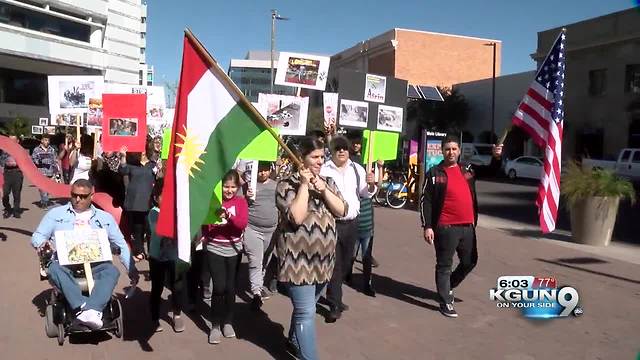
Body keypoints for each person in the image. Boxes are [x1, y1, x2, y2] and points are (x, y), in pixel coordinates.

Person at [31, 179, 139, 329]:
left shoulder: (104, 218)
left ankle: (91, 310)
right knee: (54, 269)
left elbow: (121, 243)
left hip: (96, 263)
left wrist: (131, 269)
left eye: (83, 196)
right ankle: (84, 308)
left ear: (91, 195)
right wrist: (42, 243)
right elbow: (37, 236)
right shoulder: (55, 214)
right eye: (74, 195)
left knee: (112, 271)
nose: (77, 199)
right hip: (65, 264)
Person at [276, 137, 347, 360]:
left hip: (324, 262)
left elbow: (342, 210)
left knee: (305, 308)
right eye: (314, 157)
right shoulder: (286, 185)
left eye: (322, 156)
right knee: (307, 312)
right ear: (301, 159)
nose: (320, 161)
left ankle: (293, 339)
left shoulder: (328, 182)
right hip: (298, 263)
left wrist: (324, 189)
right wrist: (305, 186)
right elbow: (296, 217)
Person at [419, 134, 502, 318]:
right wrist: (427, 226)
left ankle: (448, 285)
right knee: (444, 265)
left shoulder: (467, 169)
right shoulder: (434, 173)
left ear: (459, 150)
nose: (451, 152)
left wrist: (496, 157)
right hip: (445, 228)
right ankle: (445, 302)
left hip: (467, 227)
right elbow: (426, 200)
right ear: (442, 151)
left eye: (454, 149)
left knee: (470, 261)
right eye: (447, 149)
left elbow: (491, 171)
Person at [320, 136, 376, 323]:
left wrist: (372, 184)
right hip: (332, 223)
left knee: (345, 263)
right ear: (332, 151)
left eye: (344, 148)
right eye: (337, 148)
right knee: (335, 265)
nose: (341, 151)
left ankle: (332, 293)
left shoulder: (357, 169)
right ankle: (335, 304)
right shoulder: (324, 169)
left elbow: (365, 194)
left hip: (353, 223)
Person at [201, 170, 248, 345]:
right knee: (219, 287)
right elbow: (206, 223)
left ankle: (228, 322)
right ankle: (215, 325)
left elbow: (242, 224)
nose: (229, 190)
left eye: (232, 187)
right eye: (226, 186)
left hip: (234, 249)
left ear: (237, 187)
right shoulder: (214, 201)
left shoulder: (240, 202)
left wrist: (228, 215)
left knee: (230, 288)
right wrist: (207, 231)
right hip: (215, 248)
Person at [147, 180, 186, 333]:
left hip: (175, 256)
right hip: (157, 257)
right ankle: (155, 317)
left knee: (177, 286)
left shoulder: (178, 211)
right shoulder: (153, 213)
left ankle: (177, 314)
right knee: (157, 287)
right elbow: (158, 231)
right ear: (156, 198)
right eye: (164, 196)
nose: (168, 199)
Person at [243, 161, 278, 310]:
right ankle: (256, 292)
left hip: (271, 230)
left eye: (265, 170)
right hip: (252, 229)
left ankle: (260, 284)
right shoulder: (248, 186)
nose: (262, 173)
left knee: (265, 260)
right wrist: (245, 196)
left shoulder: (277, 186)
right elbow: (236, 203)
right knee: (255, 260)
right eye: (260, 171)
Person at [119, 146, 158, 261]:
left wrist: (160, 169)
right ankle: (139, 251)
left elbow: (159, 177)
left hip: (149, 200)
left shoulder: (152, 164)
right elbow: (123, 170)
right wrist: (123, 156)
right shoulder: (132, 164)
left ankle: (153, 253)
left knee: (151, 229)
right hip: (135, 201)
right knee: (137, 229)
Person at [31, 134, 59, 208]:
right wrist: (39, 161)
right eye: (46, 140)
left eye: (48, 140)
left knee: (48, 189)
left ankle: (44, 201)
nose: (47, 142)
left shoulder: (52, 150)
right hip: (40, 172)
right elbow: (33, 160)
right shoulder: (36, 150)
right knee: (42, 189)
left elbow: (54, 161)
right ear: (42, 140)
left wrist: (55, 172)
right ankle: (45, 203)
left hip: (50, 172)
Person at [0, 135, 24, 218]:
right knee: (5, 194)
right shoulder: (4, 149)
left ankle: (16, 211)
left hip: (17, 173)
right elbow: (1, 162)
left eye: (13, 140)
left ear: (17, 141)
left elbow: (25, 162)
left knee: (16, 194)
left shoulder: (21, 150)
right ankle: (7, 209)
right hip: (6, 173)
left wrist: (18, 163)